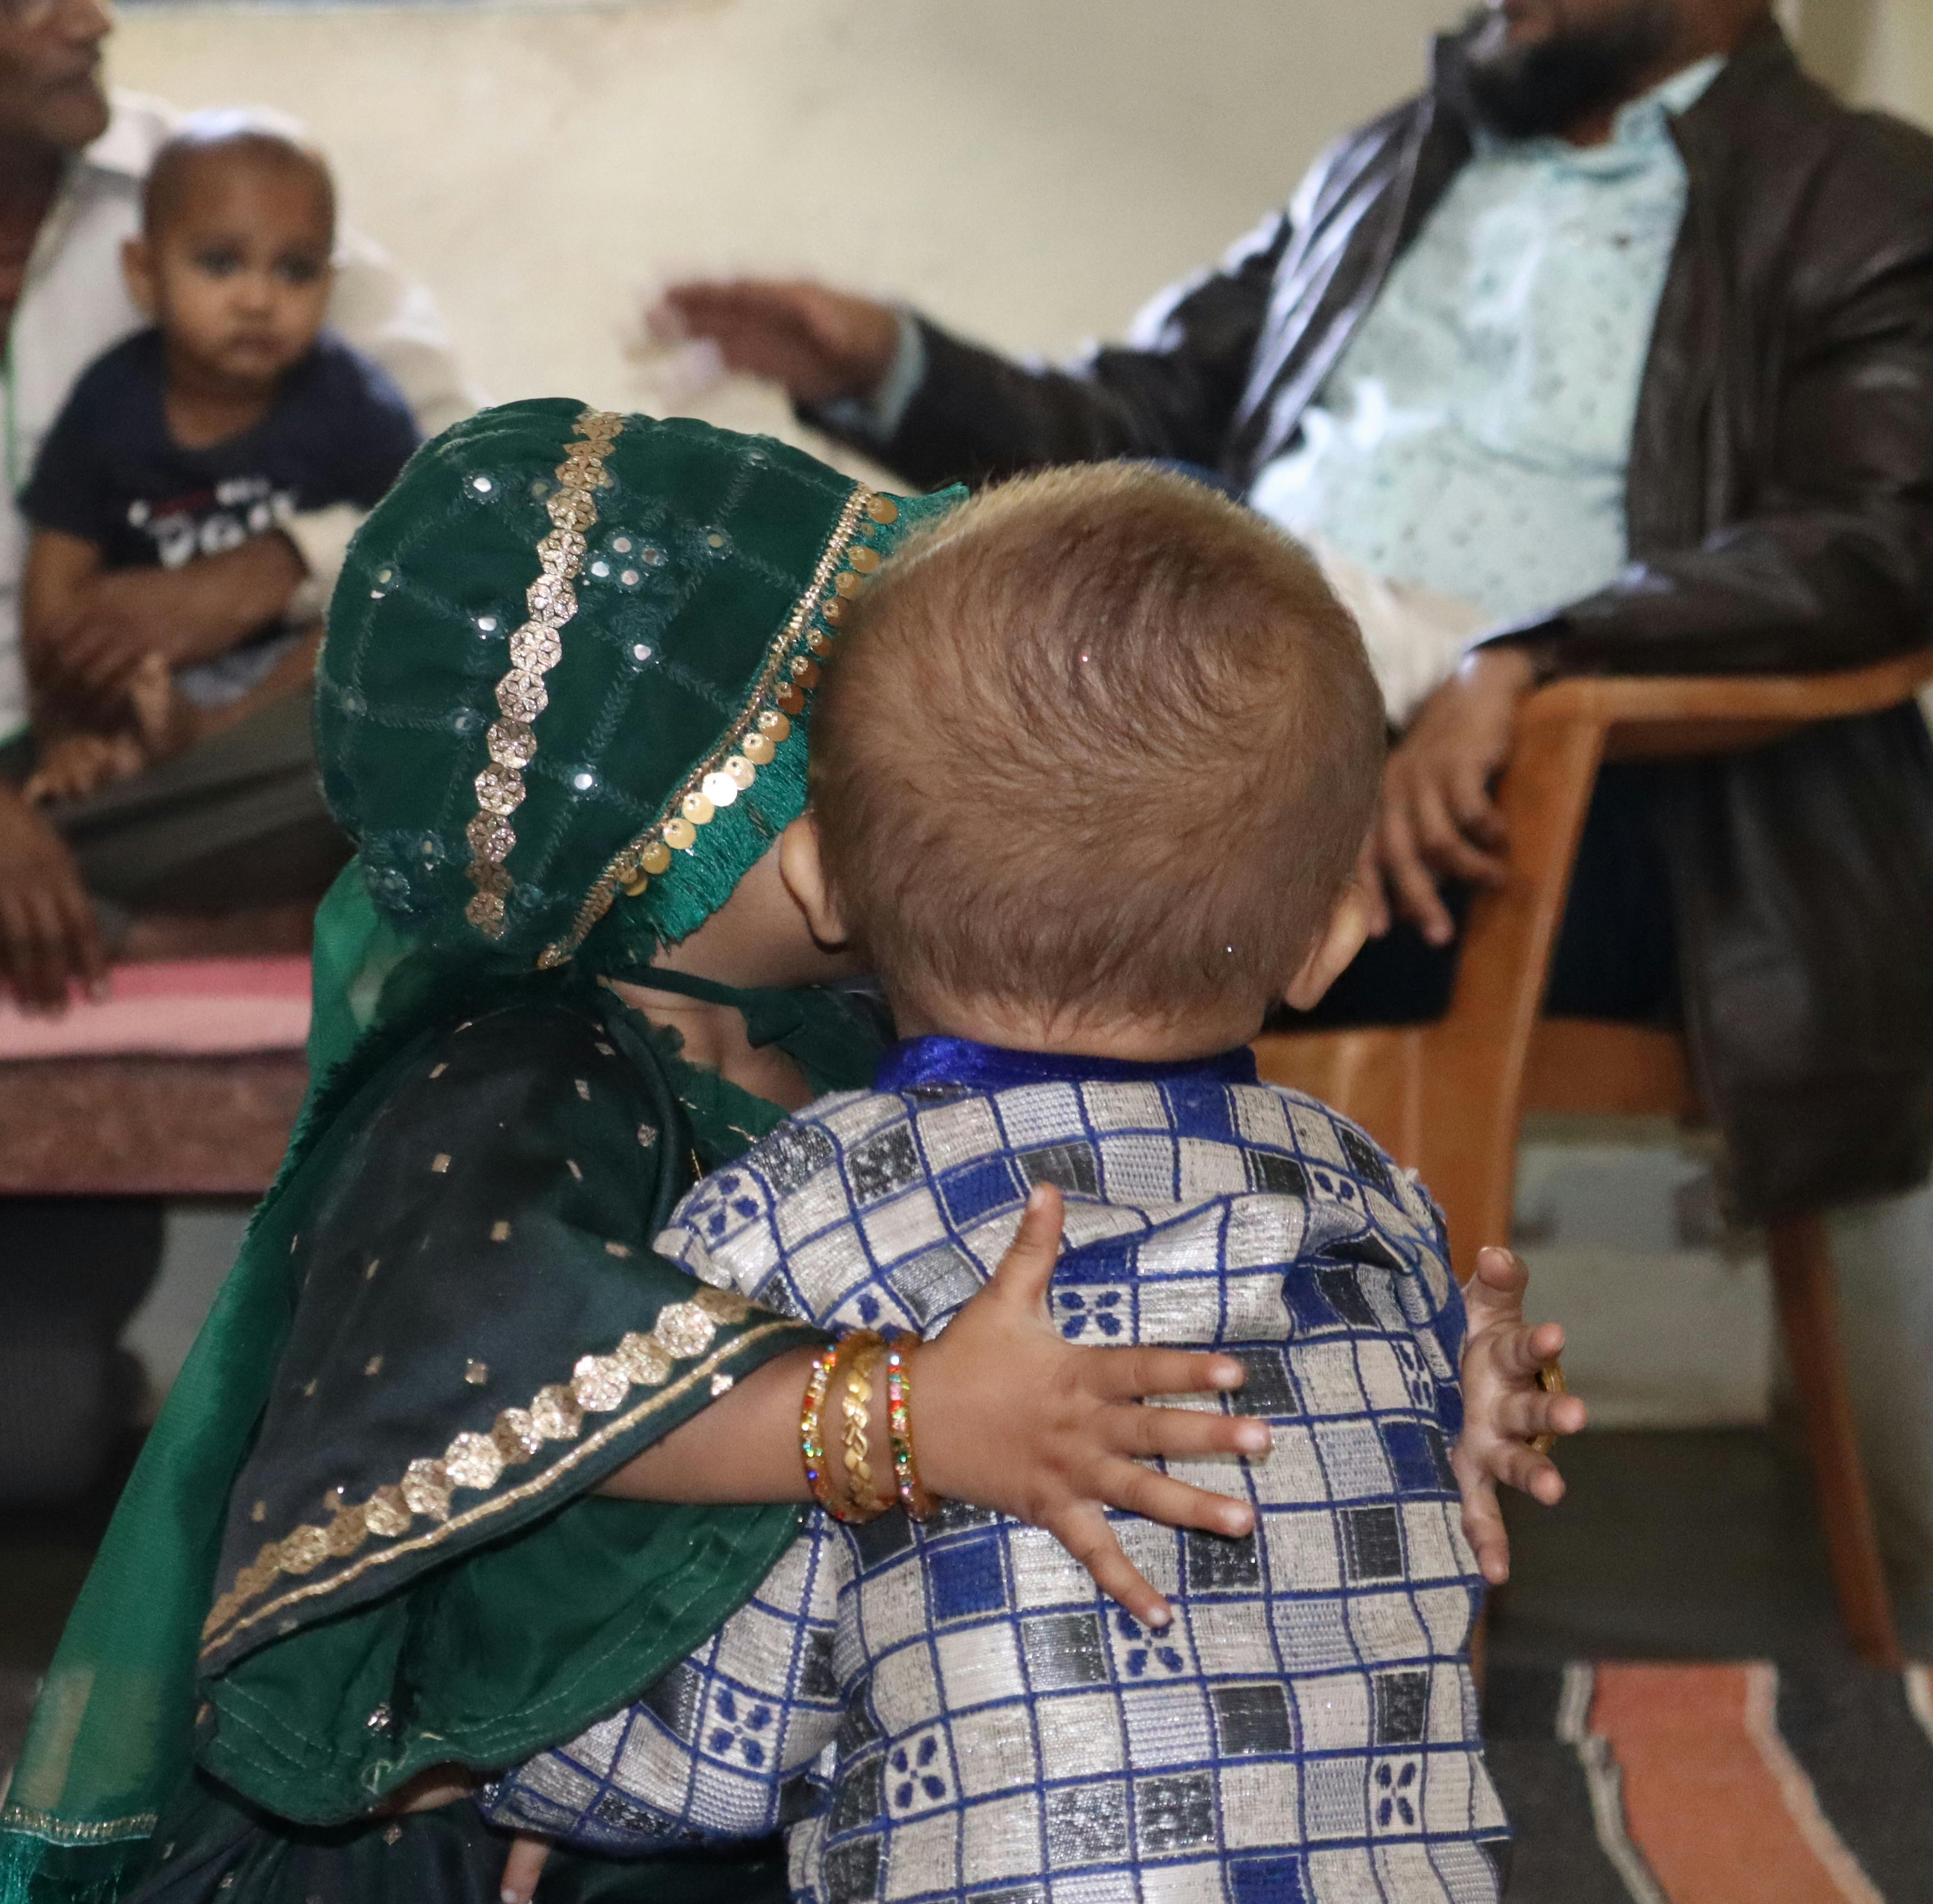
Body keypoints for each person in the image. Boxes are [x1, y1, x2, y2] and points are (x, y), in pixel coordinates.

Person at [0, 408, 1564, 1904]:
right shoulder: (513, 1084)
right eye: (822, 734)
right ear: (684, 804)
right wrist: (894, 1414)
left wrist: (1420, 1396)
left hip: (795, 1823)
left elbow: (805, 1645)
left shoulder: (867, 1118)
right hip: (473, 1851)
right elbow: (470, 1401)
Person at [490, 466, 1628, 1904]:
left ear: (817, 878)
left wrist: (530, 1769)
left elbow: (732, 1701)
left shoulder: (787, 1226)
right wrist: (1458, 1412)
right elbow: (1393, 1565)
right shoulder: (1369, 1202)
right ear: (1329, 936)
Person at [656, 0, 1933, 1219]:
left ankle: (807, 1258)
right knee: (1074, 563)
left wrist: (1532, 660)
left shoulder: (1858, 192)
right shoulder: (1396, 160)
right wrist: (891, 366)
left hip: (1569, 799)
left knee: (1077, 697)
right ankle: (747, 1239)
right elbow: (1138, 421)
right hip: (1250, 719)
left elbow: (1882, 537)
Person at [0, 0, 473, 1010]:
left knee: (488, 681)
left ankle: (6, 914)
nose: (93, 17)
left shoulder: (224, 187)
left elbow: (479, 487)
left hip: (189, 771)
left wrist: (286, 562)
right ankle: (148, 936)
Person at [16, 115, 423, 806]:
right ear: (145, 273)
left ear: (331, 281)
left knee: (372, 627)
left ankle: (216, 732)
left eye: (295, 270)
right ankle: (142, 745)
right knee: (101, 668)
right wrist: (63, 728)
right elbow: (53, 583)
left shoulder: (350, 398)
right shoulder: (111, 402)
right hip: (149, 673)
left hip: (295, 684)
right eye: (220, 263)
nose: (259, 300)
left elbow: (424, 531)